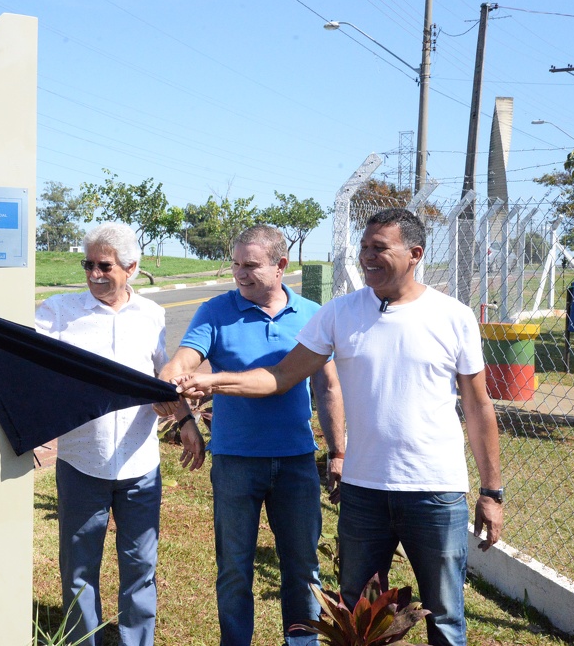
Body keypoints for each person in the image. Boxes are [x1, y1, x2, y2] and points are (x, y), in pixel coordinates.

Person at [174, 208, 504, 646]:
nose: (366, 256)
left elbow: (479, 406)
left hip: (435, 490)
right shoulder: (339, 314)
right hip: (364, 492)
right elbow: (280, 376)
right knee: (358, 619)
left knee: (443, 614)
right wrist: (211, 381)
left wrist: (491, 490)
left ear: (415, 254)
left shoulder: (454, 316)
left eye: (379, 248)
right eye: (363, 246)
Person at [156, 224, 345, 646]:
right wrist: (172, 382)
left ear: (281, 266)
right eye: (236, 264)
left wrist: (338, 452)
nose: (240, 274)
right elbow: (183, 361)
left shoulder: (312, 313)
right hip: (235, 461)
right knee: (235, 566)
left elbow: (328, 387)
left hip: (296, 461)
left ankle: (301, 641)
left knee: (301, 565)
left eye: (251, 265)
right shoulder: (216, 311)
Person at [35, 222, 204, 646]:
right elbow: (29, 364)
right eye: (88, 264)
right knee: (78, 568)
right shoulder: (58, 312)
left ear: (130, 267)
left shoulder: (151, 314)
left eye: (104, 265)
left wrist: (185, 421)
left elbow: (161, 378)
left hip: (139, 465)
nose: (94, 273)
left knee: (140, 566)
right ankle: (81, 640)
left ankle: (137, 641)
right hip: (81, 462)